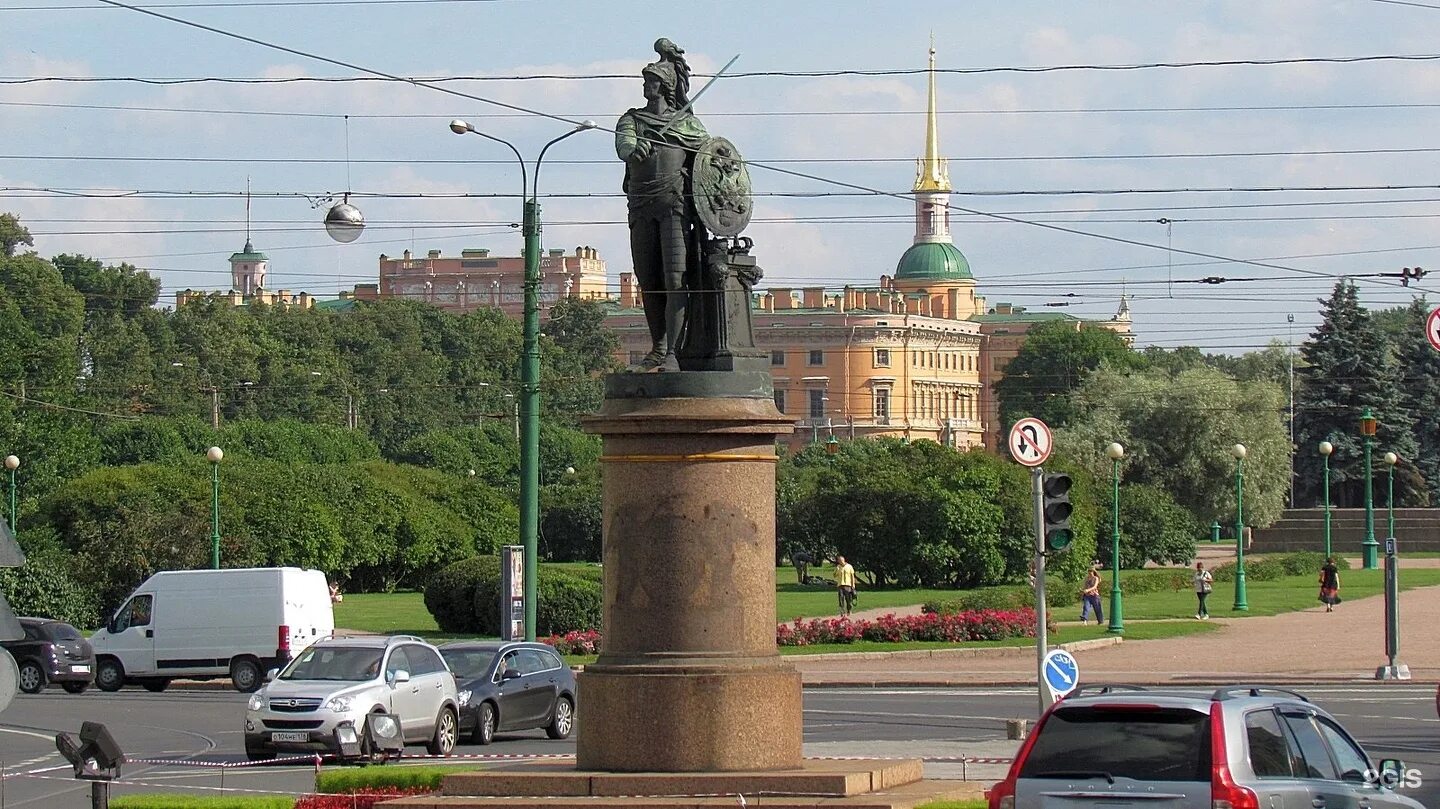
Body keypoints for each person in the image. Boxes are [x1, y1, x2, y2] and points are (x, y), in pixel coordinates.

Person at [615, 38, 710, 372]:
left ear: (666, 86)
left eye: (652, 80)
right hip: (641, 206)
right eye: (645, 80)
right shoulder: (633, 120)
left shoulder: (688, 125)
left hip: (674, 206)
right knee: (648, 278)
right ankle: (658, 345)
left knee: (676, 278)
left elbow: (713, 162)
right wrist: (634, 150)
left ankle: (671, 351)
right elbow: (624, 144)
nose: (646, 85)